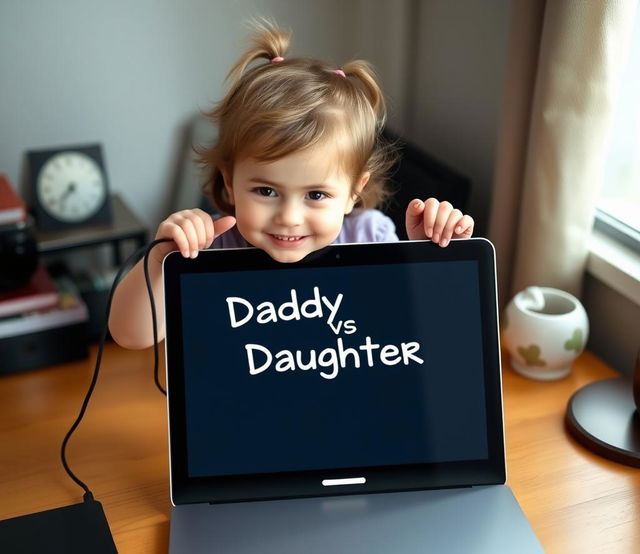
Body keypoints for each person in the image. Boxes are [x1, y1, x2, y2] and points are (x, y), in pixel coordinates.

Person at [109, 20, 474, 350]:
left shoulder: (371, 239)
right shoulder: (210, 252)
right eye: (266, 191)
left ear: (353, 192)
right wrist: (159, 262)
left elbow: (424, 331)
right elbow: (130, 336)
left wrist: (433, 259)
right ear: (229, 181)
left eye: (316, 194)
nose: (289, 217)